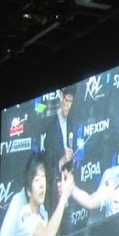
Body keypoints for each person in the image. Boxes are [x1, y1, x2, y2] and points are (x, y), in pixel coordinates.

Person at [1, 151, 75, 236]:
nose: (42, 184)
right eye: (36, 180)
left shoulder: (43, 212)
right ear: (29, 191)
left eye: (43, 177)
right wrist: (64, 197)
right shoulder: (24, 215)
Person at [39, 87, 78, 215]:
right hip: (53, 193)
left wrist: (73, 159)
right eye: (66, 100)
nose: (68, 105)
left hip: (67, 190)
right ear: (61, 96)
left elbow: (74, 155)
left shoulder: (71, 124)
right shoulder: (50, 126)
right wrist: (62, 160)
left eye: (71, 102)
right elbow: (47, 165)